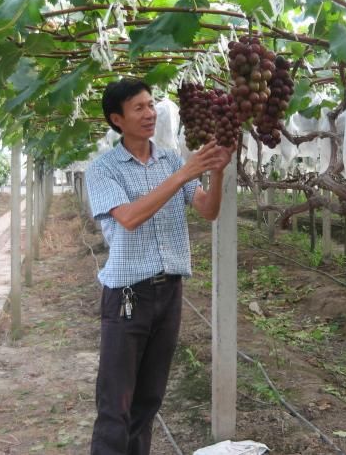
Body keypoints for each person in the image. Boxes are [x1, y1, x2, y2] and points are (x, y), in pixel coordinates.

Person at [85, 78, 234, 455]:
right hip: (127, 297)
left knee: (148, 400)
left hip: (169, 292)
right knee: (115, 405)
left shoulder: (169, 158)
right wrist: (184, 173)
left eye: (151, 105)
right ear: (117, 119)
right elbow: (130, 217)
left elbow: (208, 209)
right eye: (139, 108)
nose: (150, 113)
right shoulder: (104, 170)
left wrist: (216, 171)